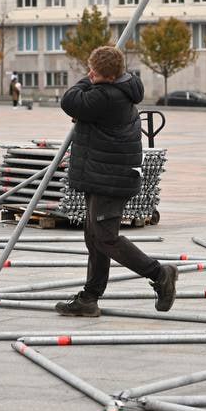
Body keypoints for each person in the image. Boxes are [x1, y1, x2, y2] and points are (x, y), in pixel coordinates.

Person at [54, 46, 177, 317]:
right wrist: (95, 80)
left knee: (106, 238)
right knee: (94, 236)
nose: (88, 74)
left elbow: (70, 100)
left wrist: (87, 81)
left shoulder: (107, 96)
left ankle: (160, 274)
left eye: (93, 72)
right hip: (104, 174)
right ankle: (90, 297)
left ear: (105, 76)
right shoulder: (121, 88)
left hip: (110, 178)